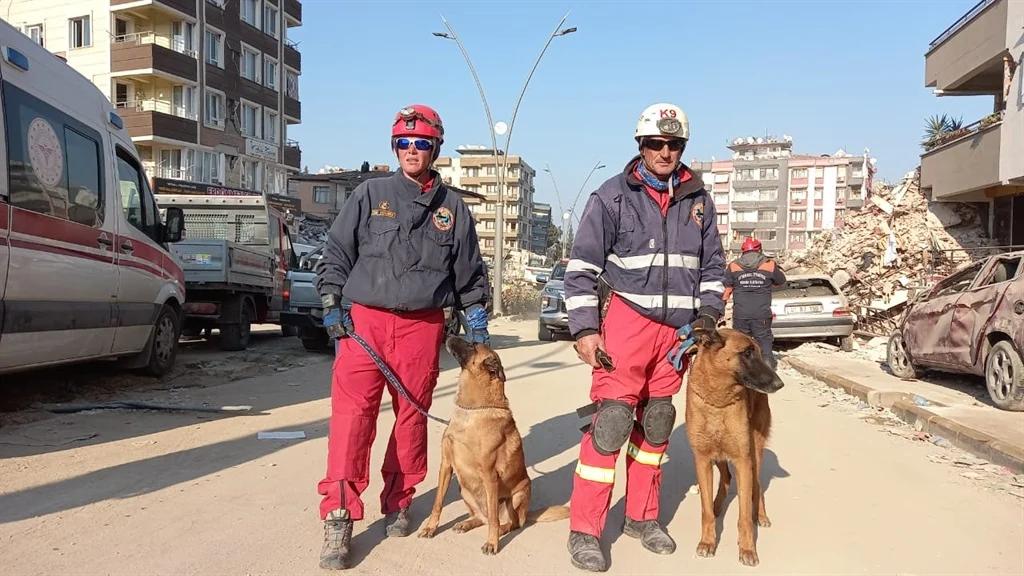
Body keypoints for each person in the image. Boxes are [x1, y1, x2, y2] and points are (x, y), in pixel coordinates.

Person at [314, 104, 491, 570]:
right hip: (364, 324)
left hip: (422, 326)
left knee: (412, 419)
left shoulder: (453, 209)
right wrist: (331, 299)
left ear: (435, 148)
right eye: (405, 143)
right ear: (395, 147)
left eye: (422, 143)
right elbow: (337, 251)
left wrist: (477, 321)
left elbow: (469, 274)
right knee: (352, 419)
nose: (413, 150)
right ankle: (339, 514)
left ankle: (399, 499)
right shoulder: (370, 194)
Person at [562, 102, 726, 572]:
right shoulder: (612, 197)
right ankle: (585, 529)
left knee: (656, 425)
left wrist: (707, 316)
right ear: (641, 145)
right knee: (611, 424)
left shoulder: (698, 201)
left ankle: (642, 517)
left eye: (674, 144)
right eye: (656, 143)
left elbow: (713, 267)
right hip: (627, 324)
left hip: (676, 334)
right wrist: (585, 330)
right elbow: (581, 269)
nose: (665, 152)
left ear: (683, 147)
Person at [723, 237, 786, 368]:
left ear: (743, 251)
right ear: (760, 250)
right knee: (764, 342)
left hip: (740, 314)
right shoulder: (769, 264)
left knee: (740, 344)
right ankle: (768, 368)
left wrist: (720, 308)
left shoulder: (733, 266)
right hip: (761, 313)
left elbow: (726, 291)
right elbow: (781, 282)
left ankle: (741, 370)